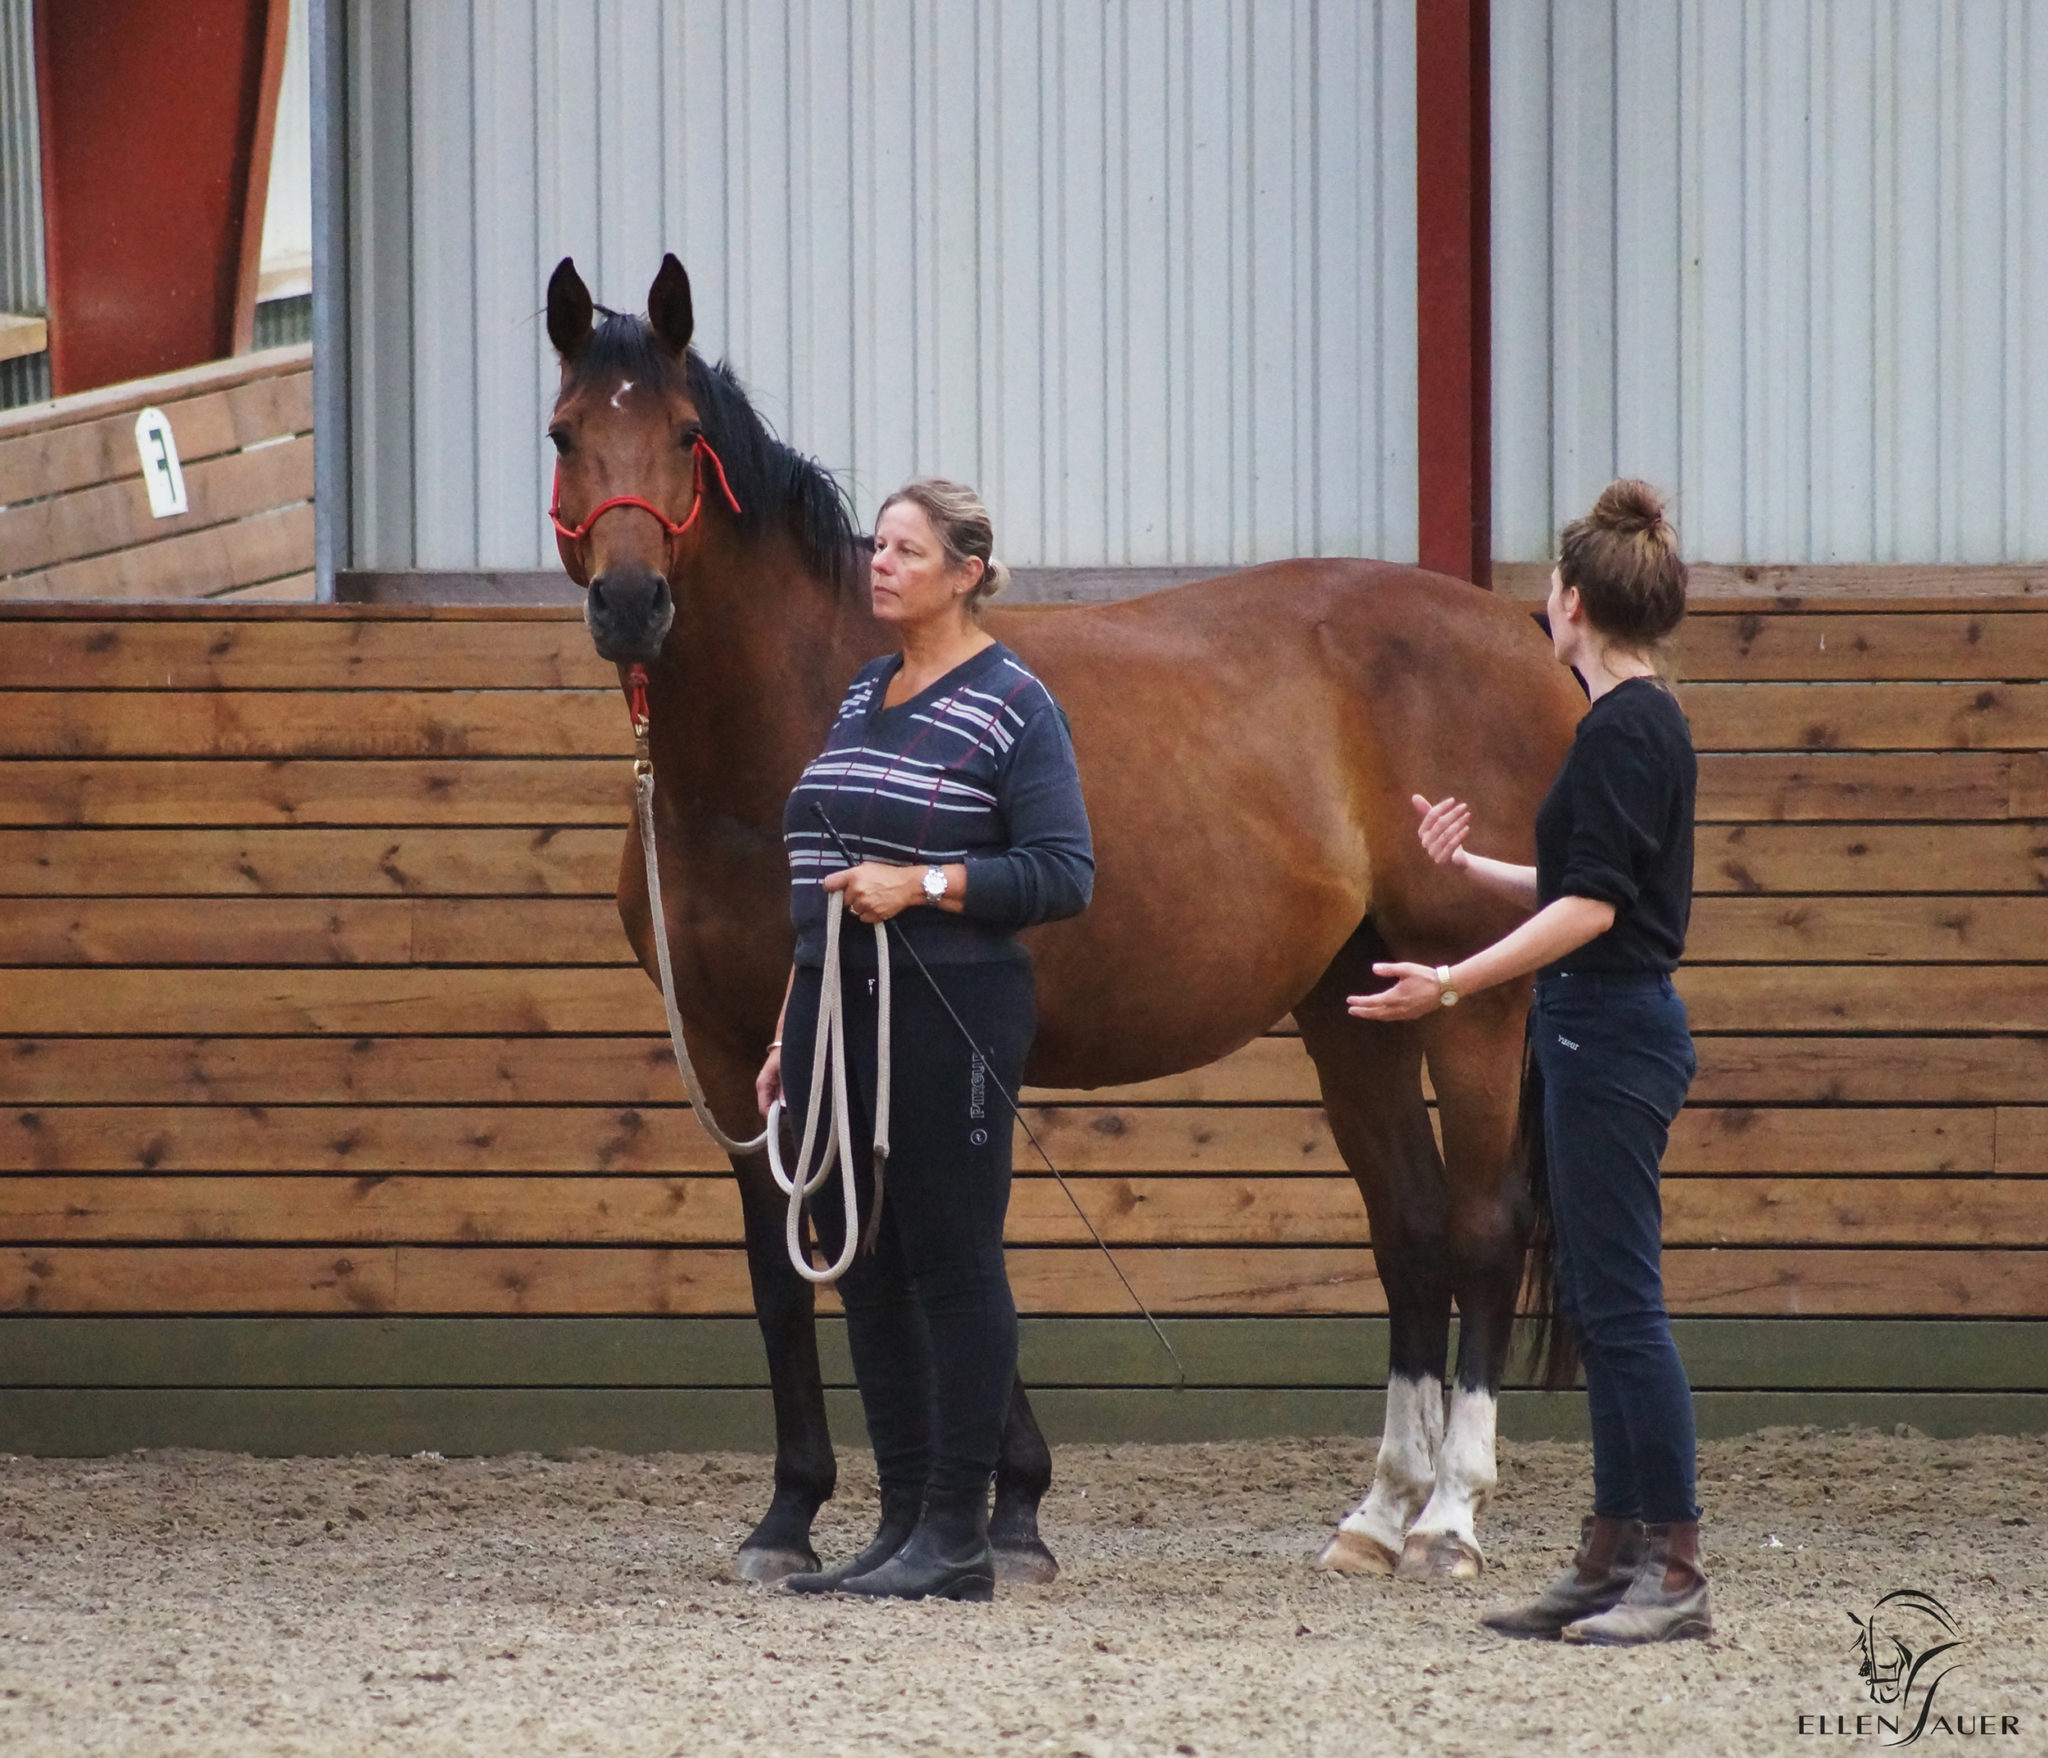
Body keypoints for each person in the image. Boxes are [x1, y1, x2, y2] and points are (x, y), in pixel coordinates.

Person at [1348, 479, 1709, 1646]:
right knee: (1602, 1311)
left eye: (1546, 593)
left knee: (1623, 1310)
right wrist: (1469, 875)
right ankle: (1610, 1553)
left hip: (1606, 1030)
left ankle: (1671, 1563)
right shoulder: (1628, 724)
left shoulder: (1621, 730)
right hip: (1588, 1025)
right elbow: (1576, 885)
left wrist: (1450, 981)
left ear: (1567, 602)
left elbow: (1595, 912)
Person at [755, 478, 1094, 1603]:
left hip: (951, 1006)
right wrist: (787, 1025)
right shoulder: (863, 692)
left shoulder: (1012, 705)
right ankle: (899, 1521)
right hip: (833, 1012)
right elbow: (820, 869)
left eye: (906, 549)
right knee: (864, 1261)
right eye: (877, 545)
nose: (881, 563)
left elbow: (1060, 873)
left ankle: (958, 1527)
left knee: (952, 1258)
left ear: (965, 573)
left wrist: (929, 882)